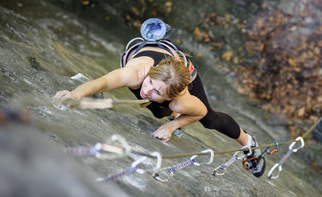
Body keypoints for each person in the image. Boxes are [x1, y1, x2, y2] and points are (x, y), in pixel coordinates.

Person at [53, 18, 266, 177]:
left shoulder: (180, 99)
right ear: (150, 74)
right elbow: (102, 81)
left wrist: (172, 126)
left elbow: (198, 112)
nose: (147, 91)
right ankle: (167, 109)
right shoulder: (136, 75)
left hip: (182, 75)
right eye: (150, 84)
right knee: (156, 108)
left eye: (157, 92)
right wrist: (74, 94)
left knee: (209, 119)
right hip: (161, 63)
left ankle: (249, 143)